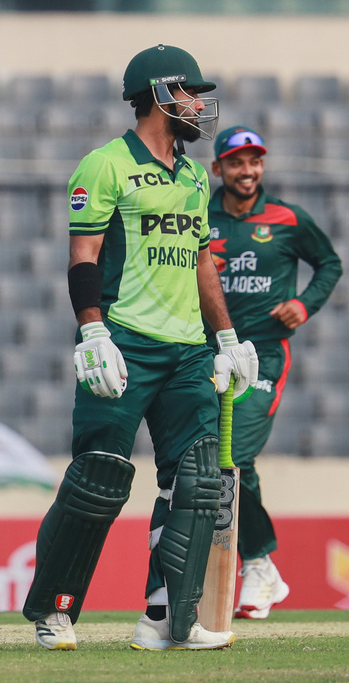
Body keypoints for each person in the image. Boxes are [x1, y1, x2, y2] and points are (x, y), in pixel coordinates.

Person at [21, 44, 259, 651]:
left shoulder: (191, 174)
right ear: (158, 95)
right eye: (189, 94)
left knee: (199, 482)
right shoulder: (104, 165)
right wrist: (92, 331)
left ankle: (166, 620)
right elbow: (84, 257)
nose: (199, 106)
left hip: (186, 354)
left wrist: (226, 338)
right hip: (124, 343)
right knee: (99, 479)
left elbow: (203, 262)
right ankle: (56, 610)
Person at [207, 125, 343, 620]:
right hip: (210, 352)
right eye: (237, 162)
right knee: (212, 460)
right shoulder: (201, 216)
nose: (248, 171)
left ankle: (260, 565)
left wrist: (303, 306)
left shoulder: (287, 217)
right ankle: (261, 566)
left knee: (234, 454)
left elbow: (329, 263)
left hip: (263, 352)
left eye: (255, 161)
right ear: (218, 168)